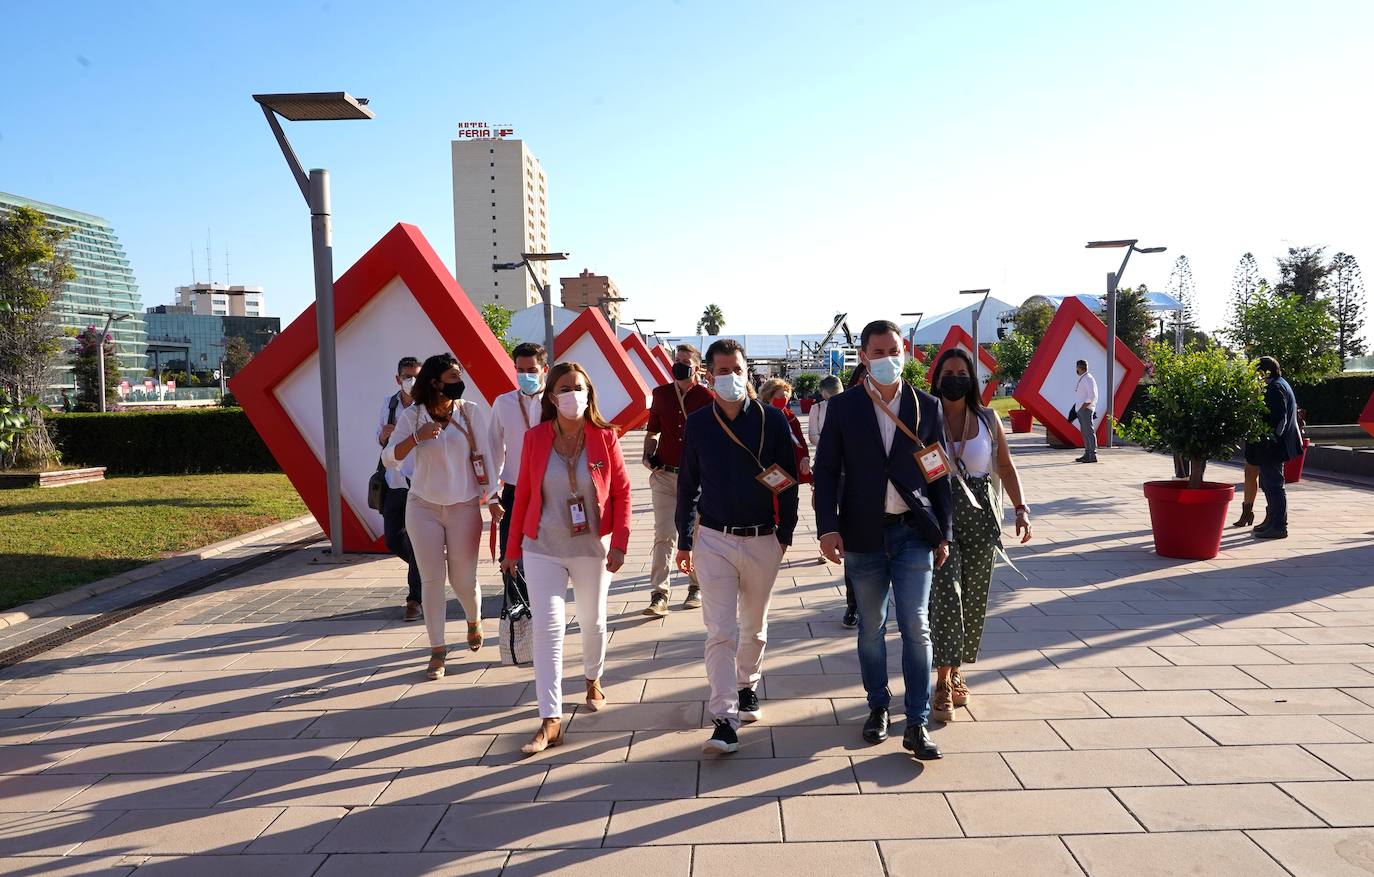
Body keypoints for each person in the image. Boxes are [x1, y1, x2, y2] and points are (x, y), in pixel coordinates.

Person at [813, 320, 952, 760]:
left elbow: (938, 472)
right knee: (871, 628)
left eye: (895, 349)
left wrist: (943, 531)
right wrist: (827, 526)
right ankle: (877, 707)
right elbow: (826, 472)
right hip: (863, 534)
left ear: (904, 351)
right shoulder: (845, 408)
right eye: (879, 351)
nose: (889, 357)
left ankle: (917, 721)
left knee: (916, 625)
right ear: (865, 358)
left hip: (913, 532)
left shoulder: (925, 406)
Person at [676, 339, 799, 755]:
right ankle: (724, 719)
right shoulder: (697, 423)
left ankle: (748, 685)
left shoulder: (772, 420)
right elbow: (687, 484)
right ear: (709, 375)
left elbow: (790, 480)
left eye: (737, 370)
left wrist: (786, 535)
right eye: (722, 371)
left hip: (764, 536)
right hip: (713, 538)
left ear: (749, 373)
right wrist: (684, 537)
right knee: (721, 632)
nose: (731, 378)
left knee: (754, 627)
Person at [503, 362, 631, 754]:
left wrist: (622, 542)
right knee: (548, 629)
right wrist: (511, 552)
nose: (571, 395)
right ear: (551, 396)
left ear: (588, 393)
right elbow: (522, 493)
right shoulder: (535, 437)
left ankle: (593, 678)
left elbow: (623, 492)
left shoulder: (605, 437)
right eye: (564, 388)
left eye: (578, 387)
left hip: (593, 548)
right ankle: (550, 718)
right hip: (542, 546)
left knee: (592, 622)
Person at [928, 348, 1033, 722]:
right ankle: (941, 682)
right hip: (940, 520)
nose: (954, 378)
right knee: (945, 597)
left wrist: (1021, 509)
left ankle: (957, 669)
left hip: (981, 519)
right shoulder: (926, 417)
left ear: (971, 379)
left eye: (962, 372)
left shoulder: (988, 419)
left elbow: (1004, 465)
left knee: (973, 600)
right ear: (936, 378)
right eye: (947, 372)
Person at [383, 353, 502, 680]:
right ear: (435, 382)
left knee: (464, 580)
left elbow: (488, 458)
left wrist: (492, 497)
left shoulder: (471, 411)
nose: (458, 383)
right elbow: (389, 457)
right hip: (422, 507)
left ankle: (473, 619)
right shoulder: (413, 415)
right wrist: (416, 437)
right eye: (452, 378)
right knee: (432, 580)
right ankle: (437, 651)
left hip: (464, 506)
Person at [641, 343, 713, 616]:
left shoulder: (707, 397)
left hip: (696, 479)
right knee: (664, 534)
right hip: (664, 475)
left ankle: (695, 586)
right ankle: (659, 594)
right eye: (676, 360)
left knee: (694, 533)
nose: (679, 365)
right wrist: (649, 456)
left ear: (696, 367)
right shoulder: (660, 394)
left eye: (685, 361)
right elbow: (652, 432)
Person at [489, 342, 547, 602]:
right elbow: (493, 450)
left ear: (544, 369)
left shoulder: (557, 402)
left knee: (548, 554)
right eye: (520, 370)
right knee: (510, 555)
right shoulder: (503, 403)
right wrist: (491, 495)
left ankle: (543, 603)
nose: (526, 376)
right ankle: (517, 609)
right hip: (514, 489)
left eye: (532, 370)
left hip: (550, 489)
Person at [377, 356, 423, 621]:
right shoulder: (390, 403)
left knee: (417, 543)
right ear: (398, 379)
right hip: (393, 482)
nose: (412, 381)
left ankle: (415, 599)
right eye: (407, 376)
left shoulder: (426, 404)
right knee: (394, 540)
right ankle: (429, 571)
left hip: (417, 482)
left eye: (416, 375)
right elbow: (379, 437)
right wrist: (385, 435)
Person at [1250, 355, 1301, 540]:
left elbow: (1280, 418)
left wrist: (1272, 440)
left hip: (1274, 447)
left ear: (1264, 372)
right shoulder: (1280, 383)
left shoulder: (1275, 387)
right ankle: (1272, 520)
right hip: (1276, 445)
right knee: (1269, 483)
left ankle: (1279, 525)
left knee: (1274, 485)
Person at [758, 378, 812, 484]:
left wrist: (805, 458)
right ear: (769, 397)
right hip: (770, 469)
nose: (785, 399)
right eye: (781, 397)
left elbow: (800, 439)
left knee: (791, 498)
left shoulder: (790, 415)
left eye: (786, 396)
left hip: (792, 467)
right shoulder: (761, 416)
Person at [1073, 360, 1099, 463]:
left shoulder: (1088, 378)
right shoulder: (1085, 377)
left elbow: (1092, 395)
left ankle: (1092, 454)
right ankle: (1087, 453)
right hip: (1082, 409)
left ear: (1079, 367)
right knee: (1085, 432)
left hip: (1086, 409)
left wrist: (1084, 406)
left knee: (1088, 432)